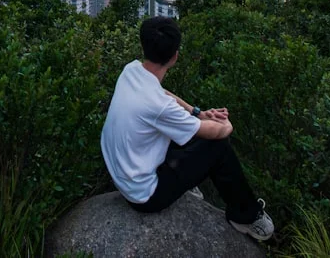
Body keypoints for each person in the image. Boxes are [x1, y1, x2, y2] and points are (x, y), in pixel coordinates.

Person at [100, 16, 274, 241]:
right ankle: (246, 216)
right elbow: (214, 133)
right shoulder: (158, 107)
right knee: (218, 147)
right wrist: (225, 125)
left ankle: (185, 185)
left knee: (185, 130)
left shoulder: (131, 71)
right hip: (145, 196)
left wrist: (198, 113)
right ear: (174, 57)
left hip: (123, 174)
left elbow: (163, 95)